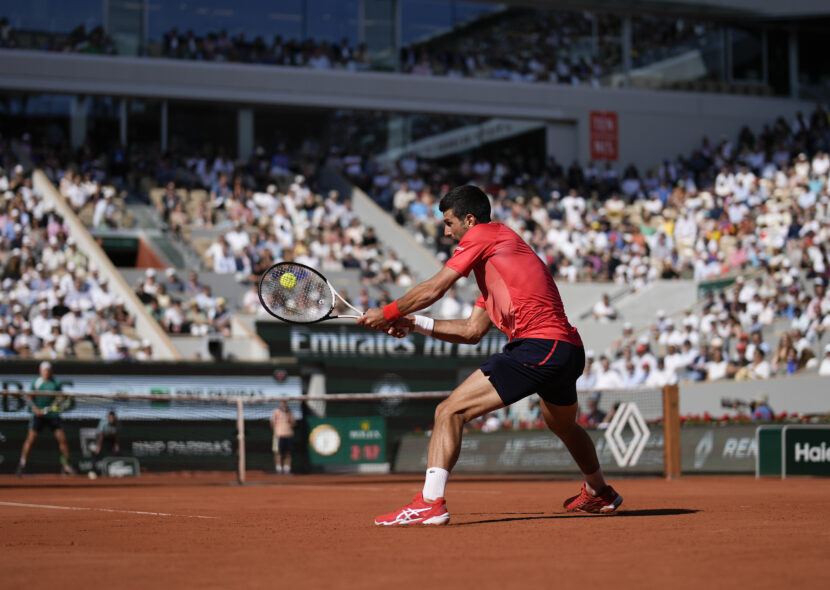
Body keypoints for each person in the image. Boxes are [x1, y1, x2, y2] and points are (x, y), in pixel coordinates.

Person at [359, 186, 622, 526]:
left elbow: (436, 287)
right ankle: (599, 490)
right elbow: (472, 331)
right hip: (566, 349)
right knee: (564, 425)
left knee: (449, 411)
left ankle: (429, 502)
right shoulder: (499, 262)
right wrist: (414, 324)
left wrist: (388, 312)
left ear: (470, 220)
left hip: (539, 345)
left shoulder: (485, 234)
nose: (446, 231)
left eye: (450, 222)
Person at [16, 361, 75, 476]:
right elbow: (29, 398)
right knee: (31, 439)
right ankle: (22, 465)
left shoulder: (56, 383)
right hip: (38, 416)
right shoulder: (36, 382)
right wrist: (35, 409)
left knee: (62, 439)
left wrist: (56, 404)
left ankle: (66, 466)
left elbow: (59, 398)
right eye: (44, 370)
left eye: (48, 370)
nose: (47, 372)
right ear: (41, 371)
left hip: (53, 415)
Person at [89, 410, 121, 476]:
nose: (111, 419)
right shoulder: (103, 423)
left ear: (114, 418)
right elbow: (101, 436)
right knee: (96, 452)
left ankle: (116, 469)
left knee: (117, 452)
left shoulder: (117, 424)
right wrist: (98, 446)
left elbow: (116, 436)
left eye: (112, 418)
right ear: (108, 417)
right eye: (110, 417)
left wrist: (116, 445)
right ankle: (93, 469)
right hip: (100, 439)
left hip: (110, 439)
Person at [270, 400, 296, 474]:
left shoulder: (290, 412)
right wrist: (278, 428)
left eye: (285, 403)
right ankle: (278, 468)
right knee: (278, 452)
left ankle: (287, 469)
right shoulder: (276, 411)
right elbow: (272, 423)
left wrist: (289, 418)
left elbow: (293, 423)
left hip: (288, 434)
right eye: (282, 402)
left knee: (288, 452)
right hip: (278, 435)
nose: (283, 404)